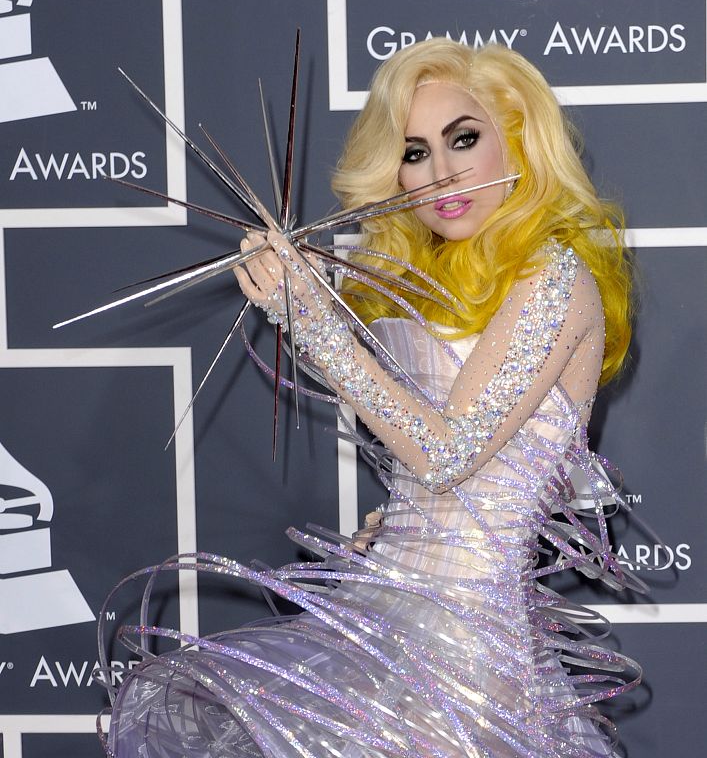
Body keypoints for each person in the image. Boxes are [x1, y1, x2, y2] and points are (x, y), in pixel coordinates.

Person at [105, 40, 642, 758]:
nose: (441, 172)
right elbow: (456, 473)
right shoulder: (440, 279)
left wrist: (313, 326)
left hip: (469, 658)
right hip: (390, 625)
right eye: (414, 152)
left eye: (463, 139)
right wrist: (404, 533)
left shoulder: (553, 277)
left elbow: (445, 453)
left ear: (517, 139)